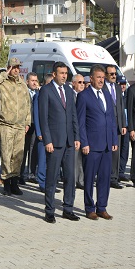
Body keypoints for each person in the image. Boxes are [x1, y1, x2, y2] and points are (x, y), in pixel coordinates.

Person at [39, 62, 80, 223]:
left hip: (69, 141)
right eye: (61, 73)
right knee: (52, 177)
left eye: (65, 73)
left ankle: (68, 209)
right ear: (54, 74)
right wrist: (47, 140)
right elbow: (43, 118)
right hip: (54, 142)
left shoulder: (69, 91)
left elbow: (73, 116)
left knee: (70, 177)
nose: (64, 76)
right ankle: (49, 211)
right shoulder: (46, 91)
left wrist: (77, 137)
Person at [76, 64, 118, 220]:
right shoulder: (84, 96)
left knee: (105, 178)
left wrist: (113, 139)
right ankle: (89, 208)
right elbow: (80, 123)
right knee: (89, 178)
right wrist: (84, 143)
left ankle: (102, 207)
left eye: (103, 77)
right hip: (92, 145)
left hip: (107, 144)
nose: (101, 80)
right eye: (98, 77)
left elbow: (112, 119)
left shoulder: (107, 94)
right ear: (91, 78)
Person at [0, 58, 31, 196]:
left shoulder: (22, 84)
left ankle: (14, 183)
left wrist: (27, 122)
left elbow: (27, 104)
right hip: (6, 125)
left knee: (18, 155)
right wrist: (3, 74)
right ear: (9, 68)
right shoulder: (3, 82)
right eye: (14, 67)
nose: (16, 70)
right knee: (6, 155)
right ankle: (6, 182)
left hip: (19, 126)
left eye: (18, 67)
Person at [103, 65, 126, 189]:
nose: (113, 76)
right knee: (107, 152)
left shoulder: (117, 87)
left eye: (114, 74)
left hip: (117, 125)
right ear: (106, 75)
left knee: (116, 153)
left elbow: (121, 107)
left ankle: (114, 178)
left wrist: (123, 124)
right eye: (111, 74)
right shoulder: (103, 87)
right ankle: (106, 177)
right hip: (107, 125)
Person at [33, 73, 53, 193]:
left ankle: (49, 183)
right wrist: (39, 132)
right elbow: (37, 115)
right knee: (42, 159)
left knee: (50, 161)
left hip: (52, 133)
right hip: (42, 133)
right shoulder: (39, 95)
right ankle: (42, 182)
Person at [20, 72, 39, 185]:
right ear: (27, 81)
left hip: (34, 125)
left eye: (36, 80)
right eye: (32, 80)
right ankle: (20, 174)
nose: (34, 83)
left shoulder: (38, 92)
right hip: (25, 125)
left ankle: (31, 173)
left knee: (33, 150)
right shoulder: (23, 93)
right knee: (23, 150)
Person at [71, 74, 86, 189]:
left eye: (83, 83)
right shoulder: (70, 95)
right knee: (74, 158)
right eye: (80, 82)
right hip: (72, 131)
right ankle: (73, 180)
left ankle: (81, 180)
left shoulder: (84, 96)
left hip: (83, 130)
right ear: (73, 83)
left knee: (81, 157)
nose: (82, 85)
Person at [117, 76, 130, 182]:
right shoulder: (116, 95)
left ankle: (122, 171)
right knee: (118, 149)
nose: (123, 86)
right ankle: (115, 172)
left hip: (127, 127)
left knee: (125, 150)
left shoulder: (128, 95)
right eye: (121, 84)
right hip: (118, 127)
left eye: (124, 84)